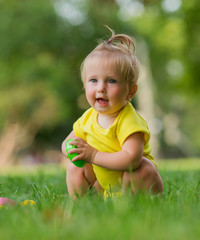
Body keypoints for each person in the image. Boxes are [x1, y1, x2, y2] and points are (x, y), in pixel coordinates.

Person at [61, 26, 163, 198]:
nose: (101, 88)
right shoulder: (88, 117)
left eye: (112, 81)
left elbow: (132, 159)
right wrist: (74, 150)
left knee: (142, 167)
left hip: (134, 184)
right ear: (85, 86)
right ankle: (82, 205)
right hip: (105, 184)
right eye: (93, 80)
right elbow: (66, 144)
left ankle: (132, 204)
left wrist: (93, 155)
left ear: (130, 91)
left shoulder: (128, 120)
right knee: (75, 167)